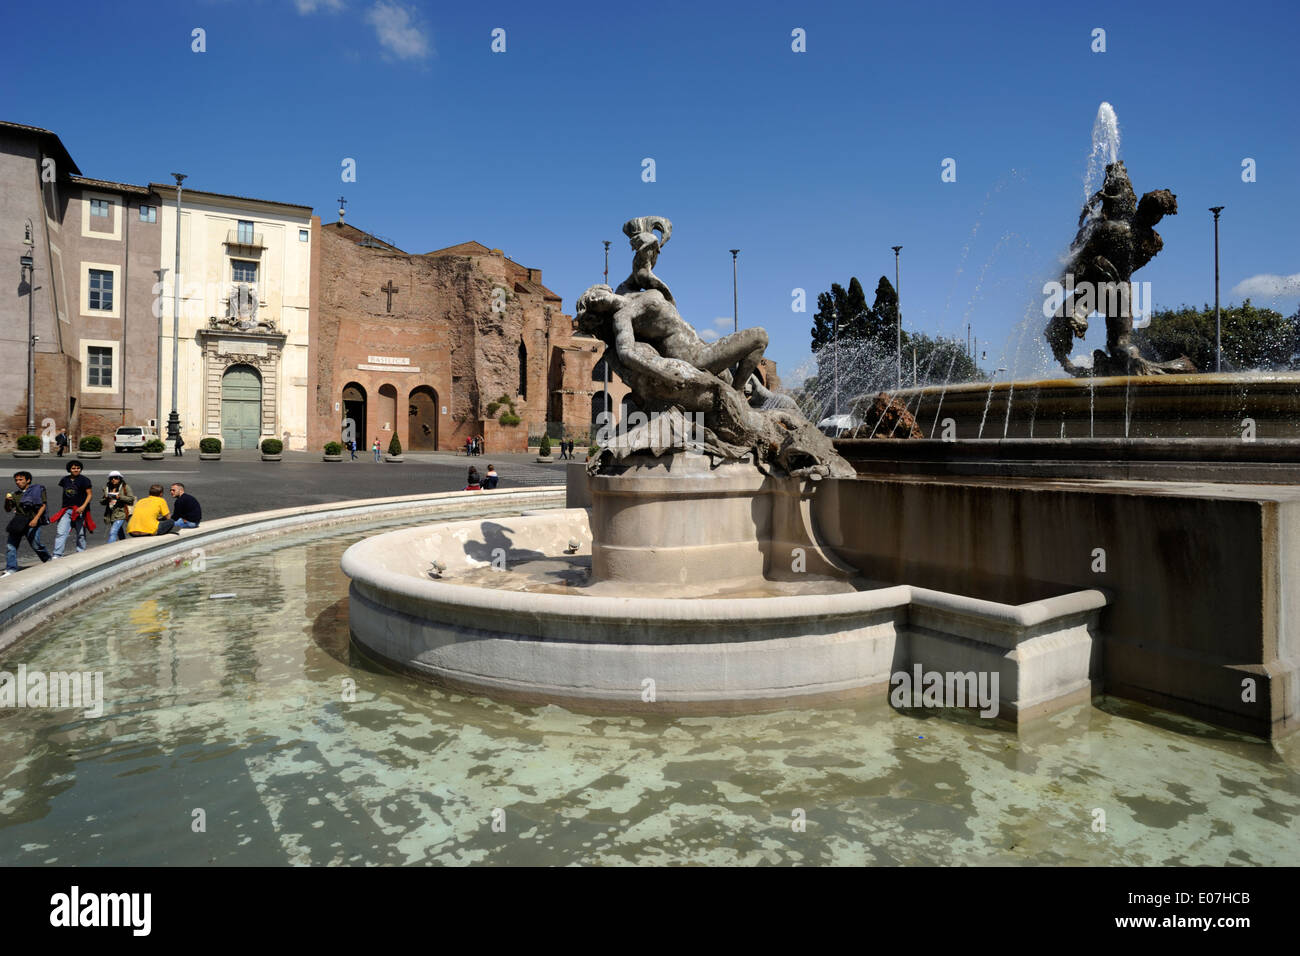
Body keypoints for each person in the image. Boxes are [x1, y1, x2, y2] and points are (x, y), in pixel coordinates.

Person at [4, 471, 51, 575]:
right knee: (10, 546)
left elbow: (43, 505)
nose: (18, 482)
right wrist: (7, 501)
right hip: (19, 521)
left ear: (28, 480)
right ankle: (11, 568)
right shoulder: (15, 494)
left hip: (32, 521)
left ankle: (48, 561)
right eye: (16, 480)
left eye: (20, 480)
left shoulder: (37, 490)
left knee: (36, 545)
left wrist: (35, 519)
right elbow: (8, 509)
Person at [52, 460, 93, 557]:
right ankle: (57, 554)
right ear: (69, 469)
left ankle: (81, 551)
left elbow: (89, 494)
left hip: (80, 510)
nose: (76, 470)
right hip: (66, 510)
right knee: (61, 532)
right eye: (73, 468)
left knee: (81, 533)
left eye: (78, 468)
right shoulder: (64, 480)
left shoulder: (85, 480)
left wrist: (83, 506)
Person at [101, 470, 135, 543]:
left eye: (116, 478)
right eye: (111, 478)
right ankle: (124, 544)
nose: (113, 479)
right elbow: (101, 501)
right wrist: (107, 499)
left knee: (113, 532)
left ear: (120, 478)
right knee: (119, 532)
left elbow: (131, 499)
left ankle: (109, 549)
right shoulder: (107, 488)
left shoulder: (125, 487)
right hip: (111, 514)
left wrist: (119, 497)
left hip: (121, 513)